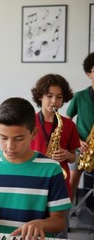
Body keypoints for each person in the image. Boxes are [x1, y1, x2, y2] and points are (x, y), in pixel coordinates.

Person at [0, 97, 72, 239]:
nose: (10, 146)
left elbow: (59, 221)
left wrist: (41, 224)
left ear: (34, 133)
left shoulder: (51, 169)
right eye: (3, 138)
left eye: (19, 139)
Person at [30, 74, 80, 239]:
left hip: (59, 185)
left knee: (59, 233)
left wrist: (67, 155)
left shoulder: (68, 124)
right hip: (34, 182)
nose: (54, 101)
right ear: (40, 96)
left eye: (59, 97)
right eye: (49, 96)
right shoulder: (29, 121)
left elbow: (74, 158)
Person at [67, 52, 94, 204]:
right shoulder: (79, 96)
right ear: (88, 74)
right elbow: (66, 122)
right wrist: (77, 140)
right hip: (80, 147)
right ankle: (66, 218)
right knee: (71, 183)